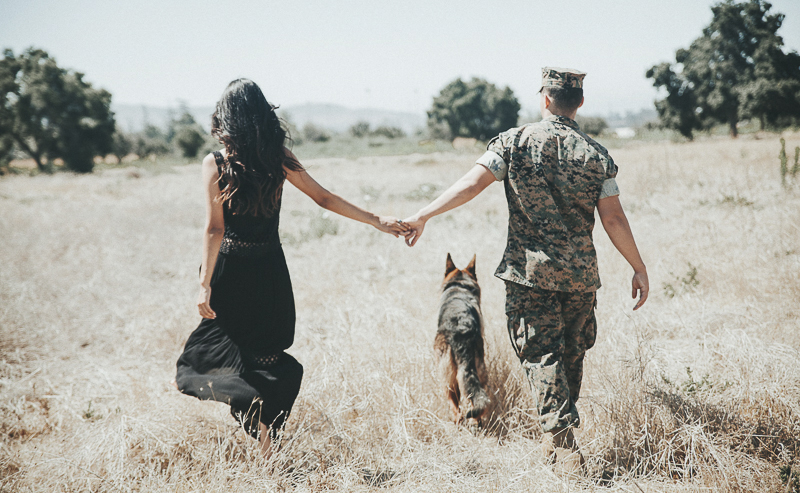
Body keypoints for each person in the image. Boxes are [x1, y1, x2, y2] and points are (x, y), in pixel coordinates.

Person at [401, 67, 649, 473]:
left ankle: (565, 449)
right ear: (580, 102)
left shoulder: (514, 142)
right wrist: (638, 267)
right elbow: (615, 220)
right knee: (570, 356)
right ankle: (558, 443)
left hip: (531, 275)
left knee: (543, 356)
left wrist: (423, 215)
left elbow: (471, 183)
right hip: (581, 278)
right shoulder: (596, 155)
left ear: (545, 98)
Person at [174, 78, 409, 457]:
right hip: (270, 271)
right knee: (267, 358)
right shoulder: (277, 157)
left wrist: (204, 285)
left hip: (232, 272)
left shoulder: (215, 162)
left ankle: (255, 414)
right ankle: (268, 440)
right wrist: (376, 219)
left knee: (203, 360)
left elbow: (215, 228)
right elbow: (324, 198)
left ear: (227, 116)